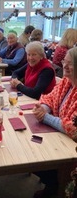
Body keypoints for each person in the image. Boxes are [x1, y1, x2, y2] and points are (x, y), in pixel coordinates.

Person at [33, 47, 77, 198]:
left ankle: (55, 189)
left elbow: (73, 127)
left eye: (70, 64)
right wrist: (43, 108)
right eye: (65, 61)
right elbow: (49, 97)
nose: (64, 65)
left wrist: (45, 117)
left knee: (38, 160)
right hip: (57, 136)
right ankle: (51, 187)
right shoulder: (66, 82)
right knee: (33, 152)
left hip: (72, 146)